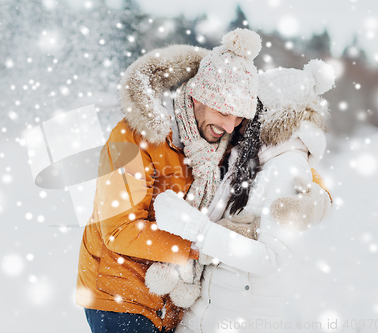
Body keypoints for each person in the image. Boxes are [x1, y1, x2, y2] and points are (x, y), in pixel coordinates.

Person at [76, 28, 263, 333]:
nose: (229, 126)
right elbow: (120, 230)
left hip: (172, 304)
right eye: (223, 111)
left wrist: (309, 185)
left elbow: (278, 150)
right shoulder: (136, 136)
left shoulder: (219, 145)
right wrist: (201, 246)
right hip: (119, 297)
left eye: (239, 117)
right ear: (197, 96)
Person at [153, 60, 335, 333]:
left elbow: (269, 257)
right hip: (208, 311)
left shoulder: (287, 166)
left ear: (267, 113)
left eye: (247, 110)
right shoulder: (249, 159)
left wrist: (197, 228)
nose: (236, 121)